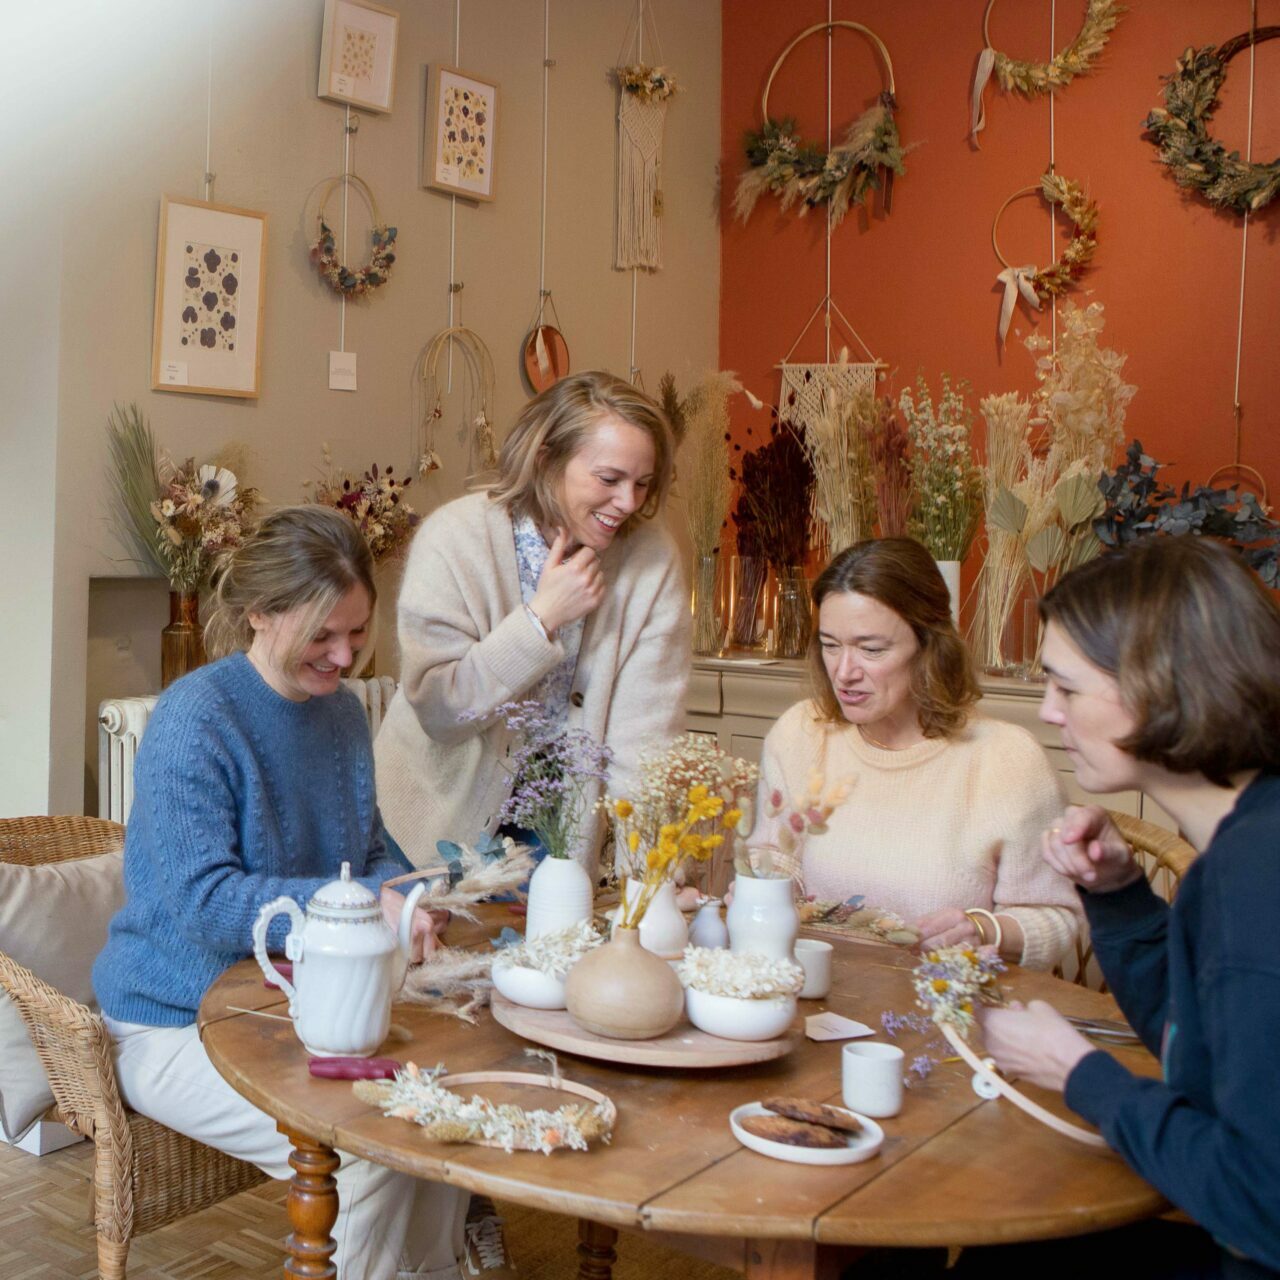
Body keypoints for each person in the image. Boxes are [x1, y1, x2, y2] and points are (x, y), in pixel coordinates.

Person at [92, 506, 475, 1280]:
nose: (343, 657)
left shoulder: (336, 716)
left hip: (287, 1005)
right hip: (172, 1023)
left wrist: (426, 889)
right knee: (372, 1153)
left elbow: (366, 851)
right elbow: (205, 905)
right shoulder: (194, 718)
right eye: (323, 636)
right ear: (260, 614)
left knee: (438, 1120)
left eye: (358, 634)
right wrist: (370, 904)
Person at [979, 537, 1280, 1277]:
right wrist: (1118, 897)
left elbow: (1262, 1202)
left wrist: (1080, 1072)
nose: (1049, 713)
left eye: (1067, 688)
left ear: (1160, 684)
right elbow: (1199, 1048)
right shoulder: (1244, 844)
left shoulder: (1258, 878)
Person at [375, 370, 691, 873]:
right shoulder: (454, 538)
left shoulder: (650, 562)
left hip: (557, 833)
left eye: (642, 483)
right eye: (609, 479)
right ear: (547, 459)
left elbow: (647, 745)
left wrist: (652, 888)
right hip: (425, 828)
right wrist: (539, 621)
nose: (629, 502)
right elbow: (439, 712)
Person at [748, 538, 1081, 970]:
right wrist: (764, 886)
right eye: (831, 645)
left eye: (871, 650)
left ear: (929, 646)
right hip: (815, 994)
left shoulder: (1007, 760)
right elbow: (773, 857)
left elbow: (1057, 919)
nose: (844, 673)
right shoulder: (801, 734)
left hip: (946, 1011)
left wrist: (983, 929)